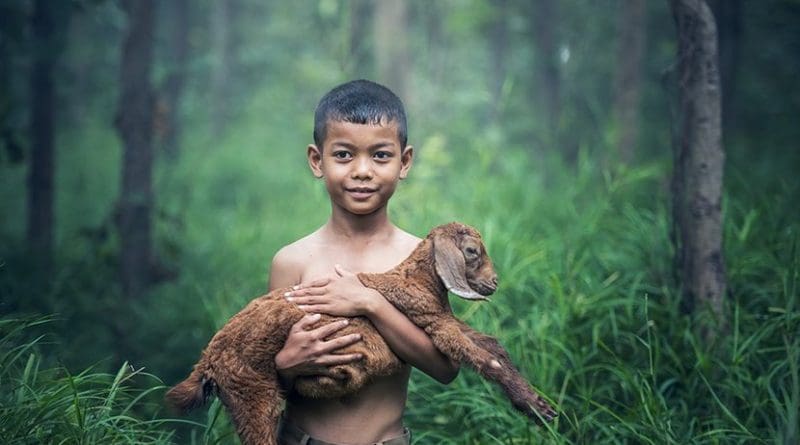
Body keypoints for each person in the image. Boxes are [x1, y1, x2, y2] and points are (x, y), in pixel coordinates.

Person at [268, 79, 459, 445]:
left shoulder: (419, 258)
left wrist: (370, 303)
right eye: (343, 155)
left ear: (404, 162)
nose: (362, 171)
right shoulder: (291, 261)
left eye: (380, 155)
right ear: (316, 160)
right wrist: (285, 365)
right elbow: (263, 373)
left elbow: (445, 367)